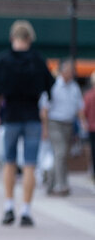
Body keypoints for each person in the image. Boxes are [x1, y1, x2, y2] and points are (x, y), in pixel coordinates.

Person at [0, 20, 54, 227]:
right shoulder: (38, 60)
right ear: (30, 38)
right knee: (30, 165)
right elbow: (49, 92)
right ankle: (26, 210)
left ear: (12, 38)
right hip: (33, 116)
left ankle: (8, 207)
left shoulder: (3, 60)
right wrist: (45, 122)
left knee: (9, 162)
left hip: (10, 116)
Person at [41, 60, 85, 196]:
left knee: (63, 154)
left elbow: (79, 107)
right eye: (68, 71)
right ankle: (60, 185)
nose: (71, 74)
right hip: (55, 123)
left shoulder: (74, 87)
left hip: (68, 124)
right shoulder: (53, 86)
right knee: (60, 152)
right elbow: (44, 109)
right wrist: (45, 128)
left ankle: (51, 182)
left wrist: (82, 123)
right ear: (61, 72)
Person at [84, 71, 95, 183]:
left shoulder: (88, 95)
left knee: (92, 150)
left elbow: (84, 111)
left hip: (91, 127)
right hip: (91, 126)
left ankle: (92, 171)